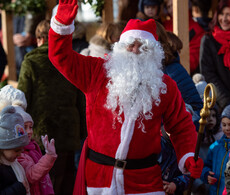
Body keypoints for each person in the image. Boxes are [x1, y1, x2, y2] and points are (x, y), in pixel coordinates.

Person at [49, 0, 204, 194]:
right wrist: (62, 24)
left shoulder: (165, 86)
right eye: (131, 45)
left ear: (153, 52)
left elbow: (181, 126)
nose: (136, 50)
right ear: (121, 46)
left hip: (143, 183)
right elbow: (60, 57)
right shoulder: (97, 72)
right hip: (99, 180)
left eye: (143, 47)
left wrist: (188, 156)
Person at [17, 19, 86, 195]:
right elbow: (81, 98)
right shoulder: (70, 59)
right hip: (69, 130)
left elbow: (22, 99)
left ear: (39, 39)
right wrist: (83, 132)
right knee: (68, 179)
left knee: (46, 182)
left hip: (42, 131)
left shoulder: (31, 61)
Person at [14, 106, 57, 195]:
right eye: (25, 127)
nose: (29, 131)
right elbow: (31, 175)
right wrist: (49, 157)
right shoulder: (18, 154)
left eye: (30, 127)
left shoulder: (33, 147)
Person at [200, 102, 230, 195]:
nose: (227, 128)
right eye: (224, 124)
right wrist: (206, 174)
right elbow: (206, 165)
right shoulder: (215, 146)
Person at [0, 106, 30, 195]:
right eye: (16, 150)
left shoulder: (13, 163)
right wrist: (19, 188)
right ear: (3, 147)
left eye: (22, 150)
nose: (20, 155)